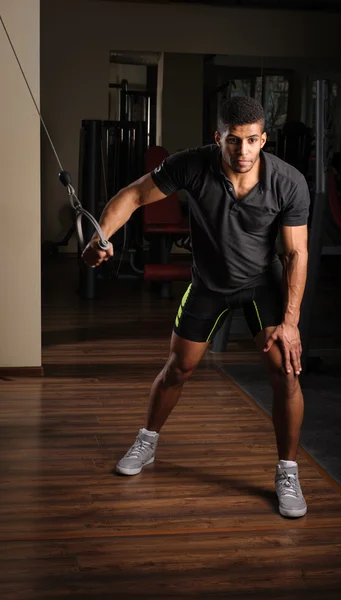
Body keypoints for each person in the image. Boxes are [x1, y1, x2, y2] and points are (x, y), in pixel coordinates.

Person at [82, 96, 310, 518]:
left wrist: (291, 323)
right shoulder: (192, 165)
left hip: (261, 284)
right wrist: (100, 239)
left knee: (286, 370)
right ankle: (147, 441)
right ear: (217, 137)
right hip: (207, 284)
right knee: (178, 368)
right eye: (233, 141)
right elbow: (132, 196)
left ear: (265, 138)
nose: (243, 152)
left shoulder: (289, 181)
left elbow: (296, 254)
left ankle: (288, 470)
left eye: (253, 141)